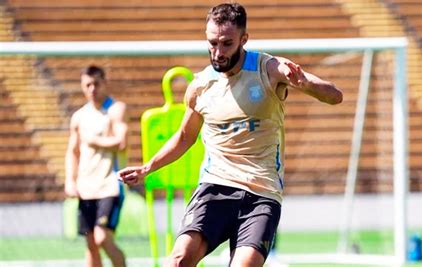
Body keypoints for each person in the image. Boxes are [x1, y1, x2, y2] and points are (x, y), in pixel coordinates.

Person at [119, 2, 342, 266]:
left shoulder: (268, 69)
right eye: (212, 43)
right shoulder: (200, 86)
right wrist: (148, 168)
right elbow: (184, 137)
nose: (218, 52)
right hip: (216, 187)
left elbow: (335, 96)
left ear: (244, 39)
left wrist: (305, 83)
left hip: (262, 193)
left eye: (226, 44)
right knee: (178, 260)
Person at [65, 65, 128, 267]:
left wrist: (94, 141)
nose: (92, 88)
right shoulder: (79, 117)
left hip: (110, 184)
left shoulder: (116, 109)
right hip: (86, 188)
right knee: (91, 243)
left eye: (96, 83)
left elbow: (122, 141)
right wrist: (70, 180)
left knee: (102, 238)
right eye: (88, 85)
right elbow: (73, 152)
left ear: (104, 83)